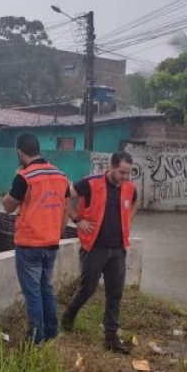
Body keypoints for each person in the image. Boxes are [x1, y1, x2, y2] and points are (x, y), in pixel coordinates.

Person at [61, 151, 139, 355]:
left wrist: (128, 221)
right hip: (94, 247)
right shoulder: (91, 183)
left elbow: (135, 202)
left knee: (115, 294)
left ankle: (111, 337)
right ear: (111, 167)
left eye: (128, 173)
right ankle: (69, 314)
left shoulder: (130, 188)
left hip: (118, 249)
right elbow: (65, 195)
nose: (125, 177)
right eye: (122, 172)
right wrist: (77, 220)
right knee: (88, 288)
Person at [2, 133, 72, 345]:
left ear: (20, 152)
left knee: (32, 293)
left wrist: (16, 177)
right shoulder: (61, 175)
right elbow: (66, 208)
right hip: (51, 243)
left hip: (29, 244)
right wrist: (57, 234)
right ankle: (52, 332)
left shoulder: (25, 176)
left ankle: (35, 338)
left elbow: (7, 206)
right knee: (46, 289)